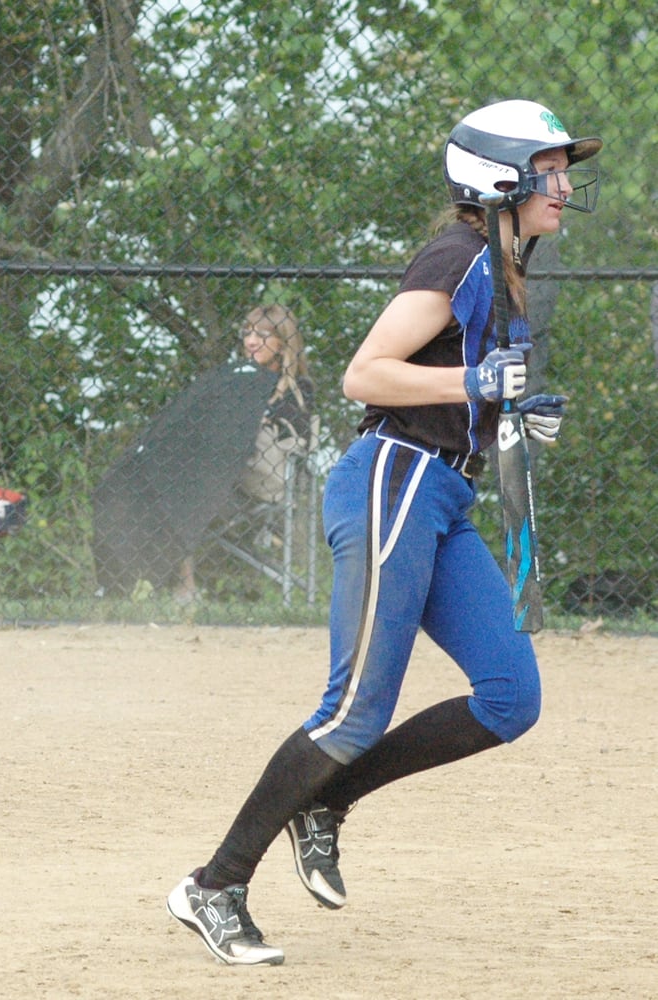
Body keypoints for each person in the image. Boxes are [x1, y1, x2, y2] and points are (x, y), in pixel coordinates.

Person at [166, 99, 600, 965]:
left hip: (438, 495)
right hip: (392, 482)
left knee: (510, 697)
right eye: (548, 167)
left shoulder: (506, 267)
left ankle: (325, 802)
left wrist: (512, 403)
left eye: (561, 168)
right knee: (354, 710)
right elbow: (367, 373)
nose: (563, 184)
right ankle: (213, 885)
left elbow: (464, 384)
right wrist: (478, 383)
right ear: (498, 179)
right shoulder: (459, 254)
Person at [174, 304, 313, 603]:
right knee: (176, 482)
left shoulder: (296, 389)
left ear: (283, 342)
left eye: (262, 335)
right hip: (224, 478)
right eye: (247, 333)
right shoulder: (238, 380)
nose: (251, 341)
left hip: (264, 482)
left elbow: (294, 440)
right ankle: (182, 585)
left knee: (185, 488)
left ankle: (184, 587)